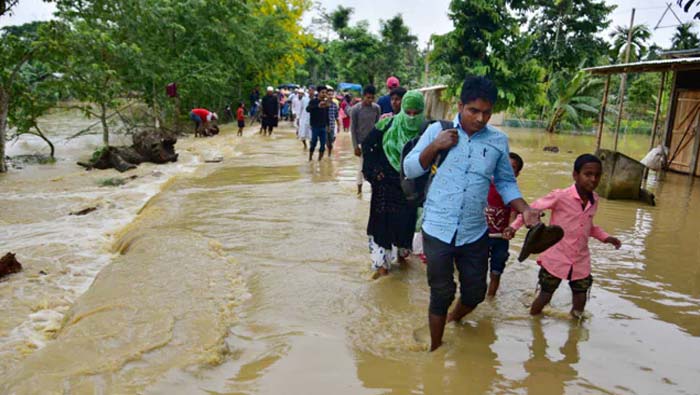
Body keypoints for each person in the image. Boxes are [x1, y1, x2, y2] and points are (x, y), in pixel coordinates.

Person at [403, 76, 541, 351]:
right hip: (438, 227)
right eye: (473, 111)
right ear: (460, 105)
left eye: (487, 113)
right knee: (441, 292)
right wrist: (435, 146)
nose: (480, 118)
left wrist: (525, 209)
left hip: (474, 230)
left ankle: (453, 319)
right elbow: (409, 169)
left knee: (476, 292)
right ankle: (435, 349)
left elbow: (504, 182)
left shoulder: (498, 142)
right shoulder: (436, 131)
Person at [504, 154, 622, 318]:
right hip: (556, 257)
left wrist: (606, 237)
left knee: (580, 298)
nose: (593, 179)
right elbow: (531, 211)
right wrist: (513, 227)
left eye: (597, 175)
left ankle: (574, 334)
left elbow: (588, 226)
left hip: (580, 259)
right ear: (575, 175)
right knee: (545, 295)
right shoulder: (560, 196)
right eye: (588, 174)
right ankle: (533, 322)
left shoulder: (594, 199)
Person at [363, 91, 425, 278]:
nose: (412, 117)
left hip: (409, 190)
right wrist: (374, 172)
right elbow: (367, 146)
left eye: (416, 113)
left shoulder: (427, 131)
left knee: (404, 227)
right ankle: (382, 267)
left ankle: (402, 257)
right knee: (382, 227)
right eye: (408, 112)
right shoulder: (386, 124)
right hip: (385, 187)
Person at [485, 152, 524, 297]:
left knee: (496, 271)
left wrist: (511, 229)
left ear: (517, 173)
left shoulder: (513, 193)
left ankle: (490, 298)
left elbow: (514, 213)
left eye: (512, 168)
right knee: (476, 269)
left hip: (500, 238)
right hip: (480, 236)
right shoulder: (485, 184)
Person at [351, 85, 381, 195]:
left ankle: (374, 189)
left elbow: (378, 125)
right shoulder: (355, 109)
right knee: (361, 167)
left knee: (375, 166)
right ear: (363, 96)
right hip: (361, 142)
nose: (370, 100)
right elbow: (353, 129)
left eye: (372, 98)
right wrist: (355, 146)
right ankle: (359, 190)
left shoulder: (376, 108)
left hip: (374, 142)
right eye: (368, 97)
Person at [306, 85, 330, 161]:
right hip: (315, 126)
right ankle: (310, 158)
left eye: (325, 93)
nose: (324, 94)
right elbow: (308, 109)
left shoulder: (326, 103)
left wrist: (328, 125)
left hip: (323, 126)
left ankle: (319, 161)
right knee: (313, 143)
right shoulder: (313, 101)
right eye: (322, 92)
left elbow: (327, 115)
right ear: (319, 93)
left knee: (323, 145)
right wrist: (318, 106)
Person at [326, 92, 341, 158]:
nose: (330, 96)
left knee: (331, 141)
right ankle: (328, 155)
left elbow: (336, 116)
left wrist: (338, 126)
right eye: (329, 94)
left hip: (332, 126)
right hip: (324, 126)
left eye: (332, 95)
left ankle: (329, 154)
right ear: (326, 95)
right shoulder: (323, 104)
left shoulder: (335, 105)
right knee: (327, 141)